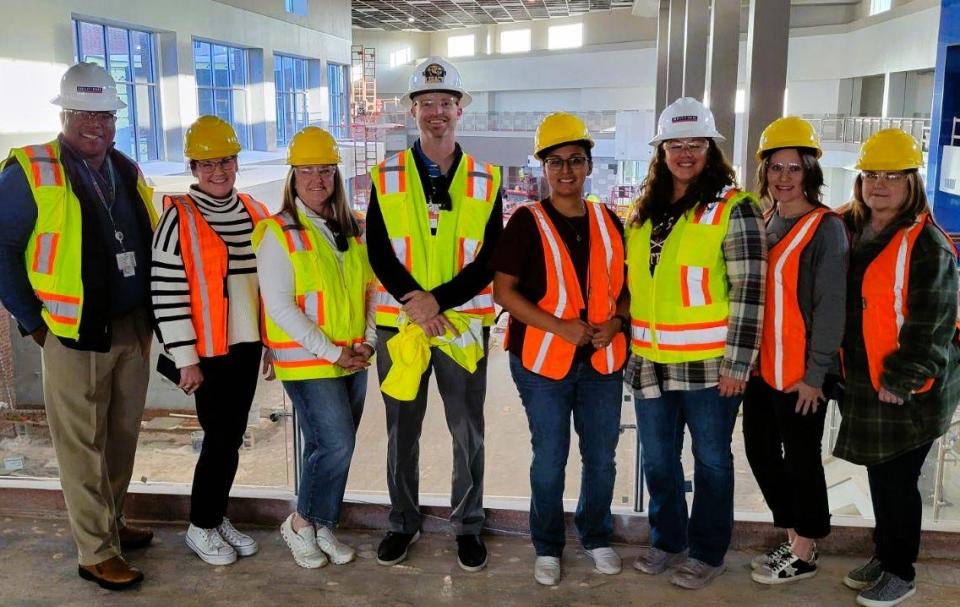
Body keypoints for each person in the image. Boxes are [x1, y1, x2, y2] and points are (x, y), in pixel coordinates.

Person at [0, 63, 157, 589]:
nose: (98, 124)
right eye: (86, 113)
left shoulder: (125, 168)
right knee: (81, 446)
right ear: (65, 114)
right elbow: (2, 249)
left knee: (121, 438)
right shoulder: (31, 170)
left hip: (131, 328)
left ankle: (109, 526)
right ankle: (94, 551)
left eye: (106, 114)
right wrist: (33, 321)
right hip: (72, 334)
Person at [365, 56, 503, 571]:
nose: (436, 112)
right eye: (426, 104)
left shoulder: (487, 179)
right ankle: (402, 522)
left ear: (460, 109)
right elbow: (378, 249)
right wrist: (415, 304)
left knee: (468, 431)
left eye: (445, 103)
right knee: (402, 430)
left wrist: (436, 302)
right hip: (400, 327)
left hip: (462, 325)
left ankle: (468, 526)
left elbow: (489, 259)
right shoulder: (387, 174)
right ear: (413, 112)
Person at [625, 97, 766, 589]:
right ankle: (667, 541)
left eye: (696, 144)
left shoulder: (735, 209)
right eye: (675, 144)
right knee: (659, 461)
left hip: (710, 366)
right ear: (661, 152)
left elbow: (750, 293)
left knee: (710, 461)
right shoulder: (644, 213)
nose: (685, 153)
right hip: (649, 362)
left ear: (712, 150)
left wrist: (738, 364)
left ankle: (707, 552)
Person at [492, 113, 628, 586]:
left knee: (602, 456)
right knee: (550, 456)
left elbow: (625, 290)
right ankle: (547, 546)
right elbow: (504, 293)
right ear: (542, 168)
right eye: (555, 162)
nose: (565, 171)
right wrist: (560, 328)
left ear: (589, 166)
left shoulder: (608, 220)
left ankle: (595, 536)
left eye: (575, 161)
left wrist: (616, 322)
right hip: (541, 362)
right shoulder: (526, 223)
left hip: (602, 361)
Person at [834, 128, 959, 607]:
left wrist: (902, 380)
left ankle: (900, 571)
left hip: (909, 387)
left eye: (892, 176)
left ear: (912, 183)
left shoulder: (927, 243)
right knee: (880, 477)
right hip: (864, 380)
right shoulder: (853, 226)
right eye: (870, 175)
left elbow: (934, 320)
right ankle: (885, 554)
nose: (879, 185)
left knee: (896, 483)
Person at [253, 127, 376, 569]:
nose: (317, 179)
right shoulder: (277, 232)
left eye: (325, 170)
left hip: (352, 358)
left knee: (324, 447)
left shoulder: (353, 229)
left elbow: (367, 292)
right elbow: (281, 307)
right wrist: (333, 352)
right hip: (309, 362)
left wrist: (368, 341)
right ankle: (302, 523)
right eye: (307, 171)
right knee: (336, 443)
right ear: (293, 176)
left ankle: (323, 523)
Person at [150, 115, 270, 566]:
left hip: (246, 347)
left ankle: (216, 516)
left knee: (232, 436)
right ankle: (200, 525)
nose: (217, 172)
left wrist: (271, 344)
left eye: (225, 161)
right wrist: (185, 359)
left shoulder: (255, 211)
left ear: (236, 162)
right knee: (220, 438)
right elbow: (165, 292)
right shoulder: (177, 217)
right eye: (206, 164)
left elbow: (270, 285)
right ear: (193, 168)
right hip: (207, 353)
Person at [742, 117, 848, 584]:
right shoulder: (766, 219)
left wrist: (816, 373)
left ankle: (805, 550)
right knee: (760, 451)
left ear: (809, 172)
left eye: (794, 168)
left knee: (802, 459)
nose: (784, 177)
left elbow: (831, 307)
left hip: (803, 374)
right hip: (763, 369)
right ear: (765, 172)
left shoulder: (826, 229)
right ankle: (793, 537)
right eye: (776, 168)